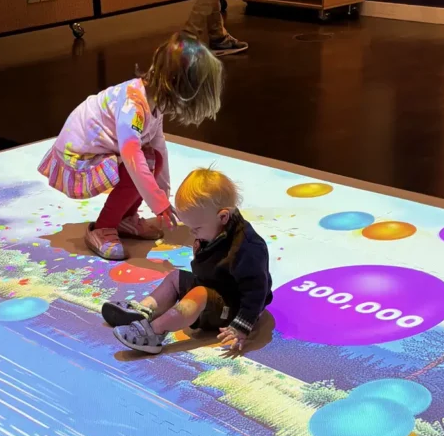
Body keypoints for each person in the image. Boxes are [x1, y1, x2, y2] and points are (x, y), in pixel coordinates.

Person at [38, 33, 224, 261]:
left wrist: (163, 194)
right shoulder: (133, 106)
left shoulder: (154, 102)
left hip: (101, 151)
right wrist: (157, 202)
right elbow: (132, 157)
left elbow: (158, 144)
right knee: (137, 165)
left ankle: (125, 218)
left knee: (152, 157)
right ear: (180, 87)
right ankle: (101, 228)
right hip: (78, 157)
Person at [105, 167, 273, 354]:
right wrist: (200, 253)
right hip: (215, 288)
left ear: (223, 216)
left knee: (199, 293)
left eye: (197, 228)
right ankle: (145, 310)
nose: (192, 233)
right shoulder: (215, 232)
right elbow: (207, 269)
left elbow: (257, 291)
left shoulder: (249, 247)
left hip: (234, 308)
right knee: (175, 276)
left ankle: (154, 332)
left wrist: (241, 326)